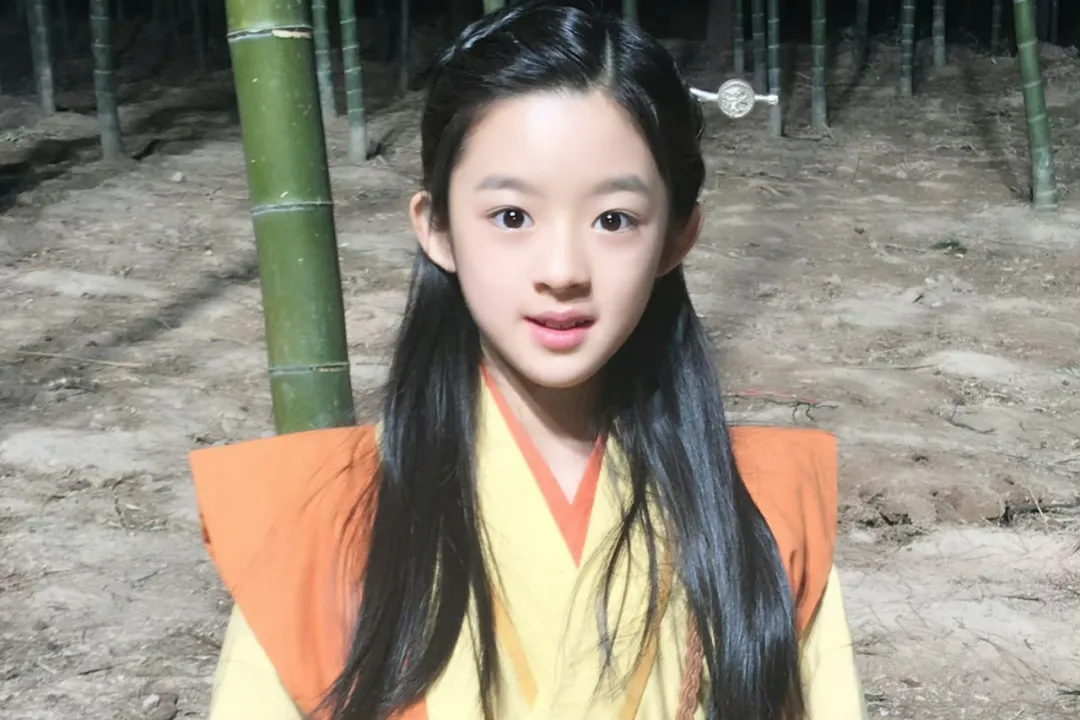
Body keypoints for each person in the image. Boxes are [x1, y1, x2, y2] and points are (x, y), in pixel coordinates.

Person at [190, 2, 868, 718]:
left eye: (614, 219)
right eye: (512, 217)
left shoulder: (771, 512)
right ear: (437, 228)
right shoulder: (316, 521)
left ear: (677, 237)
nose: (563, 270)